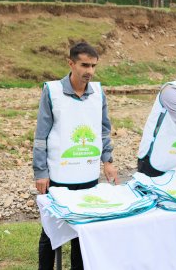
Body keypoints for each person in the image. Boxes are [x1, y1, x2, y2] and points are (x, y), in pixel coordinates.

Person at [33, 42, 118, 269]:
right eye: (84, 65)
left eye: (93, 65)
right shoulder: (51, 91)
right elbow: (41, 135)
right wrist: (40, 172)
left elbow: (103, 129)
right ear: (71, 63)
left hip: (88, 175)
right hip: (59, 176)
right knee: (50, 231)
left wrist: (107, 161)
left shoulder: (98, 93)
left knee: (84, 231)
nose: (89, 71)